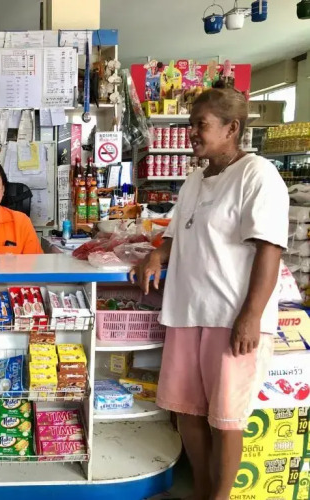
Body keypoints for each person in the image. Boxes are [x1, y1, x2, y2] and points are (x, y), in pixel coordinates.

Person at [131, 87, 288, 500]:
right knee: (187, 412)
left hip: (230, 315)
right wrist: (155, 255)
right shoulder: (195, 179)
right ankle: (201, 490)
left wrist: (251, 316)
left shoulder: (257, 175)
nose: (191, 133)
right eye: (190, 125)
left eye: (200, 124)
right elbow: (177, 233)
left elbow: (270, 249)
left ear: (232, 129)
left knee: (225, 419)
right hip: (187, 310)